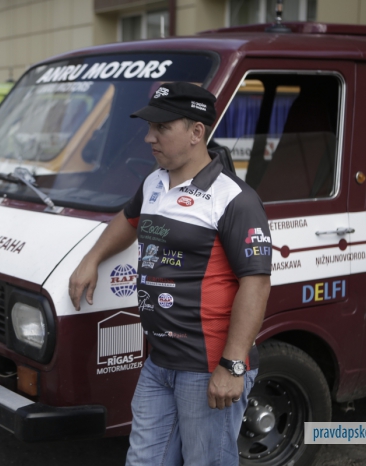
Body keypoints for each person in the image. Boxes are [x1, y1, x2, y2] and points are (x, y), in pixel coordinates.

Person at [68, 82, 271, 465]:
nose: (149, 137)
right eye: (150, 127)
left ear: (196, 132)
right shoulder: (154, 182)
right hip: (159, 363)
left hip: (208, 366)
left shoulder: (235, 198)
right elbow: (128, 219)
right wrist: (92, 258)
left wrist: (232, 365)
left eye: (162, 127)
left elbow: (256, 284)